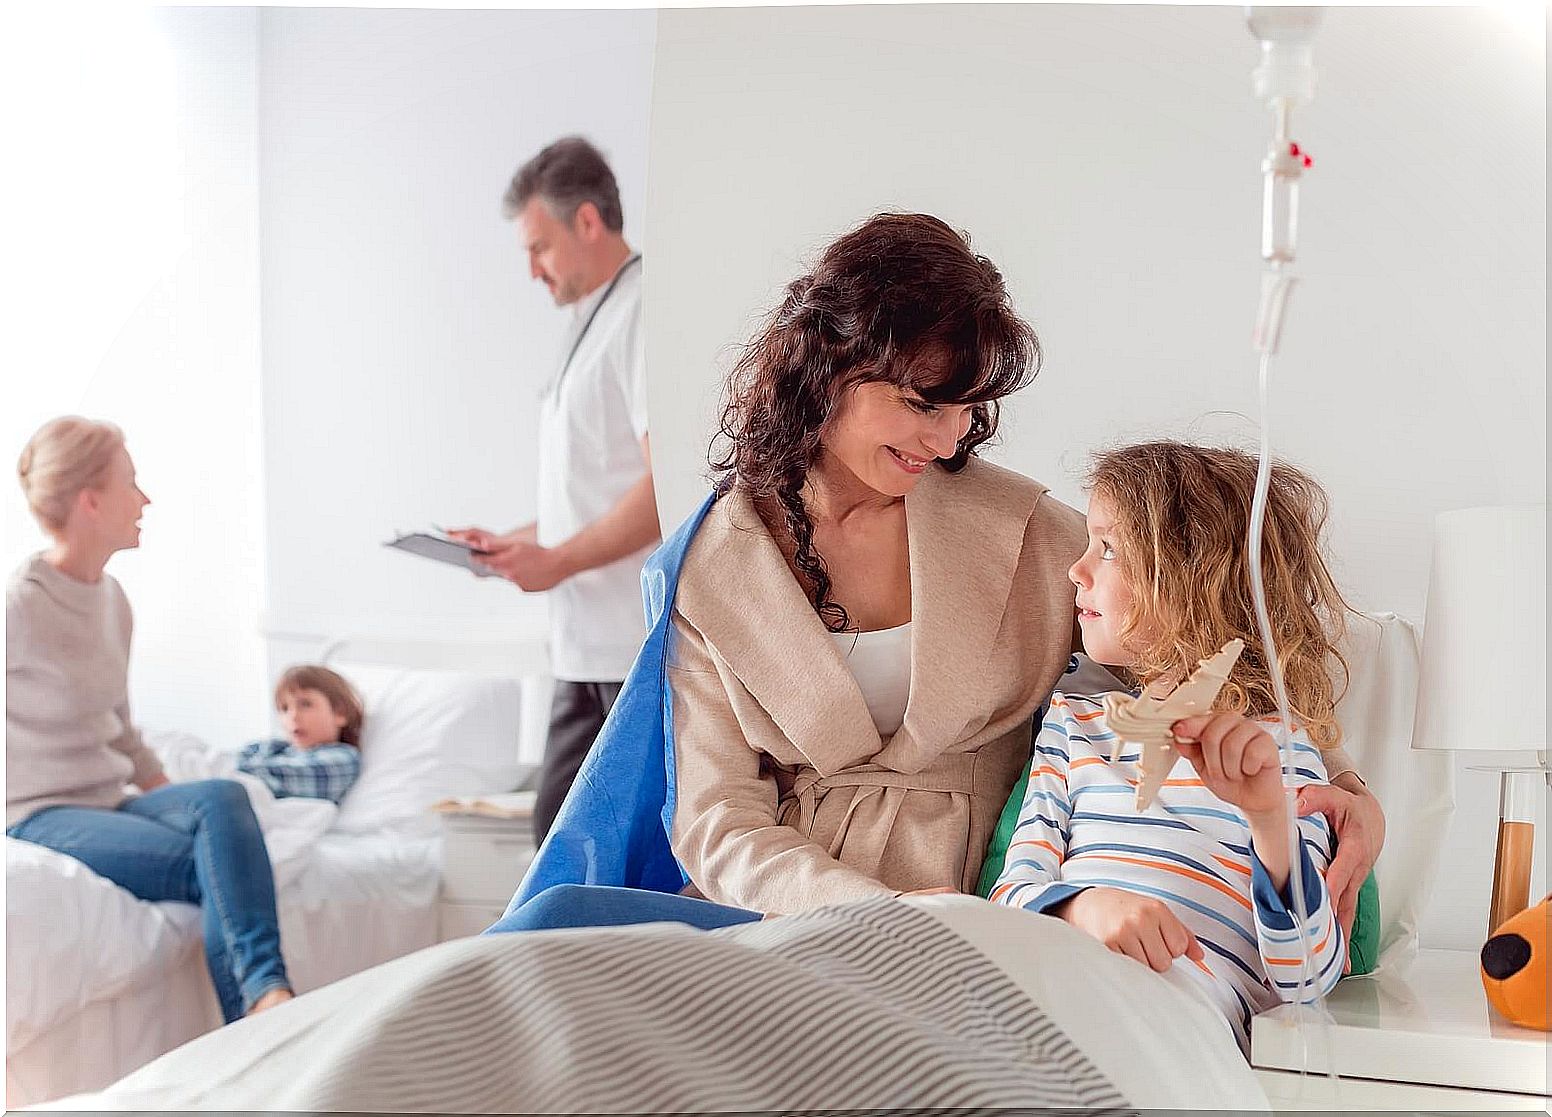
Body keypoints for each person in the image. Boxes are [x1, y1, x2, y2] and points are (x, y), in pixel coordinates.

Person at [497, 212, 1385, 936]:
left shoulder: (1027, 531)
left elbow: (1199, 634)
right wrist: (873, 911)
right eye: (920, 404)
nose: (948, 438)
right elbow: (715, 818)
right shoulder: (715, 565)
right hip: (791, 913)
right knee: (555, 932)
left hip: (989, 909)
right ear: (826, 367)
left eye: (966, 408)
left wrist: (1341, 787)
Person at [989, 441, 1350, 1052]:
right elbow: (1013, 892)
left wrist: (1268, 819)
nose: (1077, 571)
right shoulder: (1074, 725)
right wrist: (1083, 908)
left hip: (1169, 1006)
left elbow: (1308, 977)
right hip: (1044, 967)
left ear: (1191, 581)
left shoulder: (1277, 754)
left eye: (1107, 550)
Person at [6, 416, 293, 1022]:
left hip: (113, 801)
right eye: (131, 483)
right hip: (41, 816)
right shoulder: (19, 609)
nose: (145, 499)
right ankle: (264, 1009)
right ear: (90, 500)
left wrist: (190, 808)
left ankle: (266, 1006)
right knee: (216, 868)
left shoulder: (112, 599)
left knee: (221, 799)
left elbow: (122, 729)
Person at [450, 136, 659, 846]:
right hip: (582, 647)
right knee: (557, 850)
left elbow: (666, 490)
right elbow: (595, 485)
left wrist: (560, 560)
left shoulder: (643, 312)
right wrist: (521, 540)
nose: (533, 269)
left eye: (538, 247)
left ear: (589, 221)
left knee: (590, 860)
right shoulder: (588, 322)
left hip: (630, 650)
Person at [237, 665, 364, 804]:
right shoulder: (272, 748)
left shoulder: (341, 757)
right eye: (284, 708)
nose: (293, 716)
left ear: (340, 713)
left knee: (220, 789)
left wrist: (238, 770)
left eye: (305, 704)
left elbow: (283, 777)